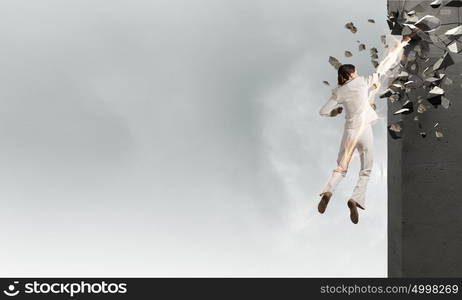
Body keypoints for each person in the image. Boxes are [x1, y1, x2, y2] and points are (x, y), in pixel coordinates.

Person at [317, 64, 378, 224]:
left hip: (350, 132)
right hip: (364, 130)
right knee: (365, 170)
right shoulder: (363, 82)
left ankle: (327, 192)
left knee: (341, 168)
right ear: (352, 74)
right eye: (356, 71)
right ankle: (354, 199)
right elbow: (380, 72)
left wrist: (334, 113)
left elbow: (322, 111)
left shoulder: (339, 92)